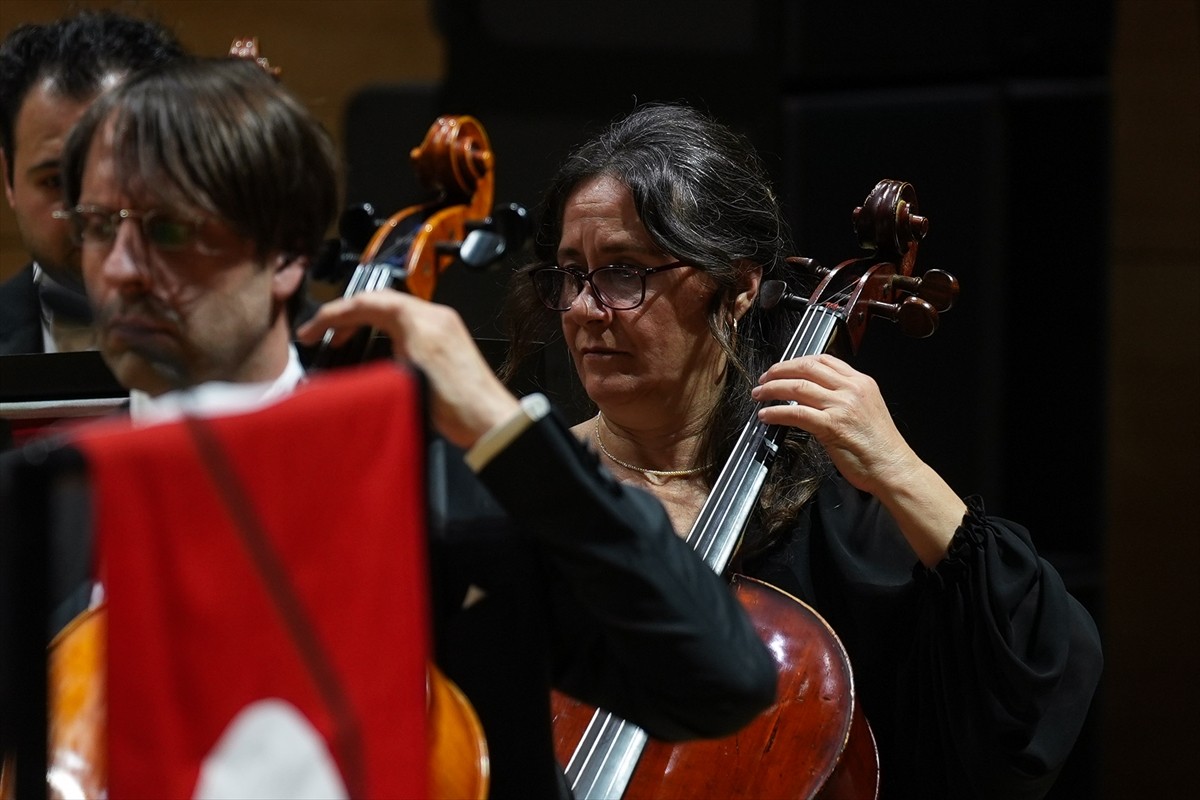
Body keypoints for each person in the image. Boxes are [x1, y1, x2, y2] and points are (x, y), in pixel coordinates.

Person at [51, 58, 776, 797]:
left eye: (167, 227)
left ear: (284, 255)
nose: (122, 267)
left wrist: (506, 430)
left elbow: (719, 678)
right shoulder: (46, 512)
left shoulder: (451, 500)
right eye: (99, 225)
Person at [498, 102, 1104, 799]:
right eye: (571, 274)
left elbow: (1044, 676)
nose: (582, 307)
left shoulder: (835, 520)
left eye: (625, 271)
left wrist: (899, 468)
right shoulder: (517, 496)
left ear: (738, 286)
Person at [0, 9, 185, 355]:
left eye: (123, 172)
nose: (91, 211)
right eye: (56, 180)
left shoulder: (304, 349)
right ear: (8, 179)